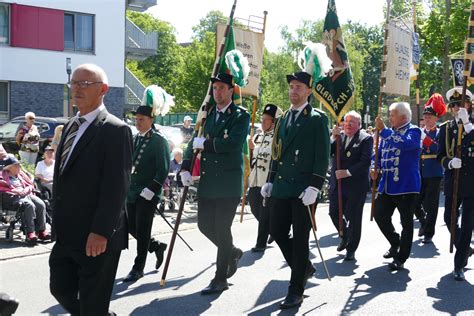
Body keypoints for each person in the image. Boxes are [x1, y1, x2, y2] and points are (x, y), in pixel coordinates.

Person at [49, 63, 133, 315]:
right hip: (66, 233)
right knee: (60, 289)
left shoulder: (115, 130)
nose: (77, 88)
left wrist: (101, 231)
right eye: (74, 83)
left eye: (86, 84)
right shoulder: (69, 127)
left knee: (92, 303)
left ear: (103, 89)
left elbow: (117, 187)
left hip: (96, 236)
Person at [261, 72, 330, 309]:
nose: (293, 91)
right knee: (277, 231)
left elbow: (322, 157)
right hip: (282, 186)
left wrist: (315, 185)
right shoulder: (282, 119)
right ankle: (304, 268)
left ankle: (295, 290)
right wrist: (270, 180)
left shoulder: (317, 119)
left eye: (299, 87)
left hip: (303, 189)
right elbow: (276, 153)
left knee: (301, 240)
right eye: (291, 86)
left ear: (309, 91)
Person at [179, 73, 250, 295]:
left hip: (228, 183)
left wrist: (207, 144)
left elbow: (234, 143)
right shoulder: (207, 115)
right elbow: (193, 143)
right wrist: (185, 167)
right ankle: (231, 252)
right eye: (215, 88)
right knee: (204, 226)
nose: (217, 92)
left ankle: (220, 278)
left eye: (221, 88)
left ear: (231, 90)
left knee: (221, 227)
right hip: (209, 182)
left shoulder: (240, 115)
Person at [123, 101, 170, 283]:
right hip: (132, 191)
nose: (138, 122)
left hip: (148, 192)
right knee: (130, 227)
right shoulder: (136, 138)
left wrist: (152, 188)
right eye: (136, 119)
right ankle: (157, 246)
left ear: (151, 120)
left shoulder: (159, 141)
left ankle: (138, 267)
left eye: (141, 119)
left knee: (142, 229)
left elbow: (163, 169)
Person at [371, 102, 421, 271]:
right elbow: (378, 154)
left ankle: (401, 258)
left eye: (392, 114)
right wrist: (374, 167)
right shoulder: (388, 134)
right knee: (379, 215)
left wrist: (384, 131)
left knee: (406, 224)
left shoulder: (414, 131)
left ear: (403, 117)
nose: (389, 117)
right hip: (387, 185)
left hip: (406, 185)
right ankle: (395, 242)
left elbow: (405, 144)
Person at [437, 87, 474, 281]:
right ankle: (465, 247)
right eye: (454, 106)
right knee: (449, 218)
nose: (458, 108)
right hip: (454, 181)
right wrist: (449, 163)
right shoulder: (445, 129)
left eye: (462, 105)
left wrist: (468, 125)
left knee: (467, 224)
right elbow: (439, 156)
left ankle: (459, 264)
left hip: (472, 184)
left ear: (470, 106)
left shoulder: (472, 126)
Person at [329, 110, 373, 261]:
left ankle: (351, 248)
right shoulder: (339, 136)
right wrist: (332, 138)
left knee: (353, 217)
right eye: (346, 122)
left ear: (359, 125)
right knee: (333, 212)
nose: (347, 125)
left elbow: (365, 161)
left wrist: (347, 172)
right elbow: (328, 152)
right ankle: (344, 235)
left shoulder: (365, 138)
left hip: (355, 185)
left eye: (351, 122)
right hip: (338, 184)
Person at [248, 103, 281, 252]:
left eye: (267, 119)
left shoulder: (278, 138)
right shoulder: (257, 136)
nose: (263, 121)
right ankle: (275, 230)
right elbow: (252, 160)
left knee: (264, 212)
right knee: (254, 207)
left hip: (266, 181)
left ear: (274, 122)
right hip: (254, 179)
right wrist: (251, 149)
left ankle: (261, 243)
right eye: (263, 118)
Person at [414, 94, 446, 244]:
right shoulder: (419, 132)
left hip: (434, 171)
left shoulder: (440, 132)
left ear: (436, 118)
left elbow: (437, 148)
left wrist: (425, 139)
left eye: (429, 117)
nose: (426, 119)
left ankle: (429, 232)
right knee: (415, 201)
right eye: (425, 117)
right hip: (419, 171)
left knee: (431, 204)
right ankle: (423, 220)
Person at [0, 156, 50, 243]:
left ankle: (41, 231)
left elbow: (30, 184)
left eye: (19, 165)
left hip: (26, 194)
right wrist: (14, 191)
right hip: (13, 197)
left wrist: (26, 190)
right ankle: (30, 232)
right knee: (29, 205)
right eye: (16, 165)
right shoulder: (2, 176)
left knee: (41, 204)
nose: (19, 166)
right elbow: (2, 188)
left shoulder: (21, 175)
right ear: (9, 167)